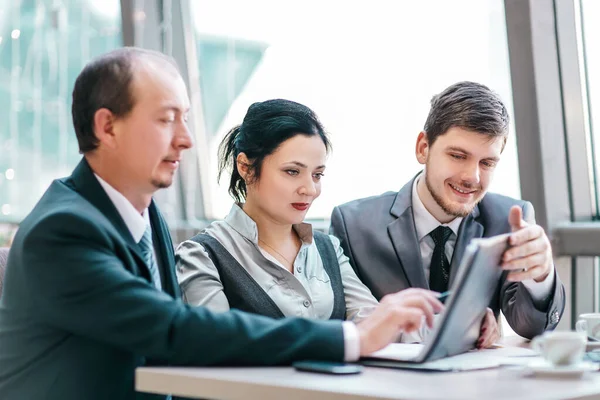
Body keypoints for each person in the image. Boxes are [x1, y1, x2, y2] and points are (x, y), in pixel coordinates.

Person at [0, 48, 442, 400]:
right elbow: (176, 329)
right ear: (107, 127)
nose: (186, 139)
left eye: (185, 119)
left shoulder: (143, 211)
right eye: (166, 119)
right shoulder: (62, 230)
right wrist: (351, 338)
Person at [330, 81, 565, 346]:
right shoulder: (353, 225)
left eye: (486, 163)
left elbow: (532, 327)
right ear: (423, 148)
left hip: (473, 384)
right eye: (457, 155)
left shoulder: (508, 218)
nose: (472, 177)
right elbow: (354, 324)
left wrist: (541, 275)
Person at [177, 99, 410, 325]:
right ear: (245, 167)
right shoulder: (202, 255)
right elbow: (217, 344)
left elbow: (374, 325)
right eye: (292, 172)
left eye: (317, 175)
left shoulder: (327, 249)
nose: (309, 189)